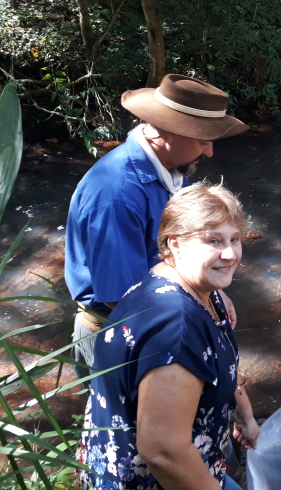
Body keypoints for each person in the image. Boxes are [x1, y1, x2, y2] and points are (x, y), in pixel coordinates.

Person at [65, 74, 248, 383]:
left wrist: (212, 294)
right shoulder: (117, 194)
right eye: (203, 140)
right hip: (120, 331)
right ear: (169, 133)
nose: (209, 152)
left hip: (157, 317)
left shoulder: (171, 169)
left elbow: (180, 248)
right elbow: (122, 296)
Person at [77, 182, 259, 490]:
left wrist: (245, 417)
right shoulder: (175, 328)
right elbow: (163, 452)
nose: (230, 254)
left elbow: (220, 361)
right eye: (213, 240)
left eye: (235, 239)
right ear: (175, 244)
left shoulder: (189, 286)